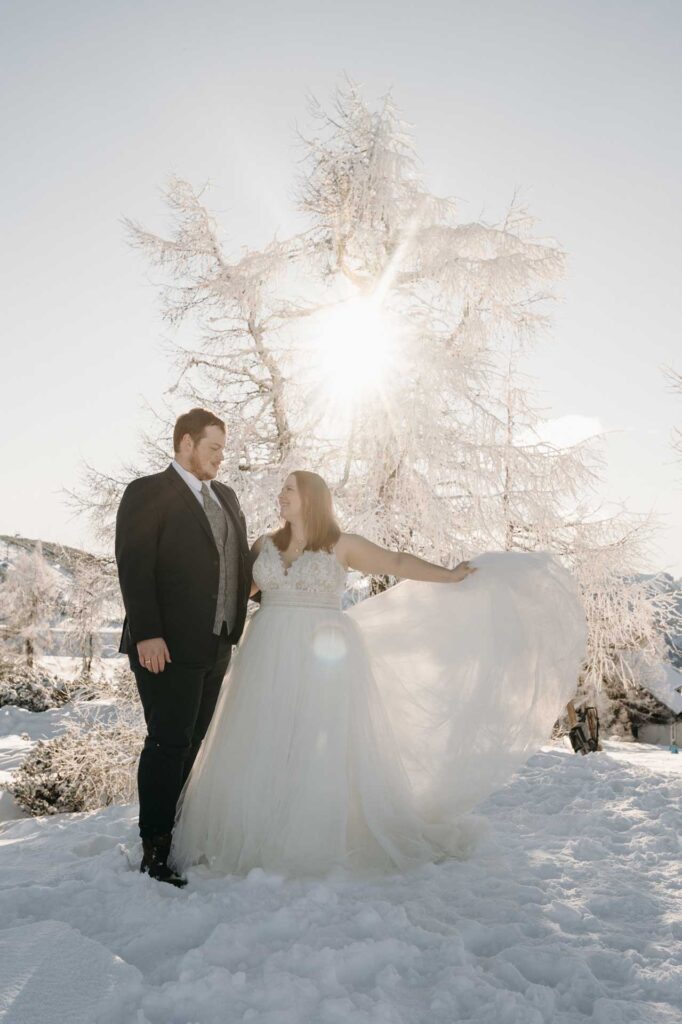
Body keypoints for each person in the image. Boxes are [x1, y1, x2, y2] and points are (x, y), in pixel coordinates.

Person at [170, 471, 587, 880]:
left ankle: (311, 834)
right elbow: (233, 592)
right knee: (265, 738)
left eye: (289, 489)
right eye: (281, 489)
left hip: (322, 654)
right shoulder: (264, 545)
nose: (281, 495)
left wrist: (449, 575)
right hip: (267, 652)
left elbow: (396, 561)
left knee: (317, 740)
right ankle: (255, 830)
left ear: (311, 499)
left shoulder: (342, 544)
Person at [115, 408, 251, 886]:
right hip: (165, 646)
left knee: (194, 743)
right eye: (214, 448)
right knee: (167, 742)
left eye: (223, 450)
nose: (220, 457)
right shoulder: (147, 492)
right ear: (187, 443)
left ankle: (176, 833)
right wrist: (147, 632)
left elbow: (234, 563)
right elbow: (134, 565)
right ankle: (154, 849)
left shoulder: (227, 497)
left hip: (218, 643)